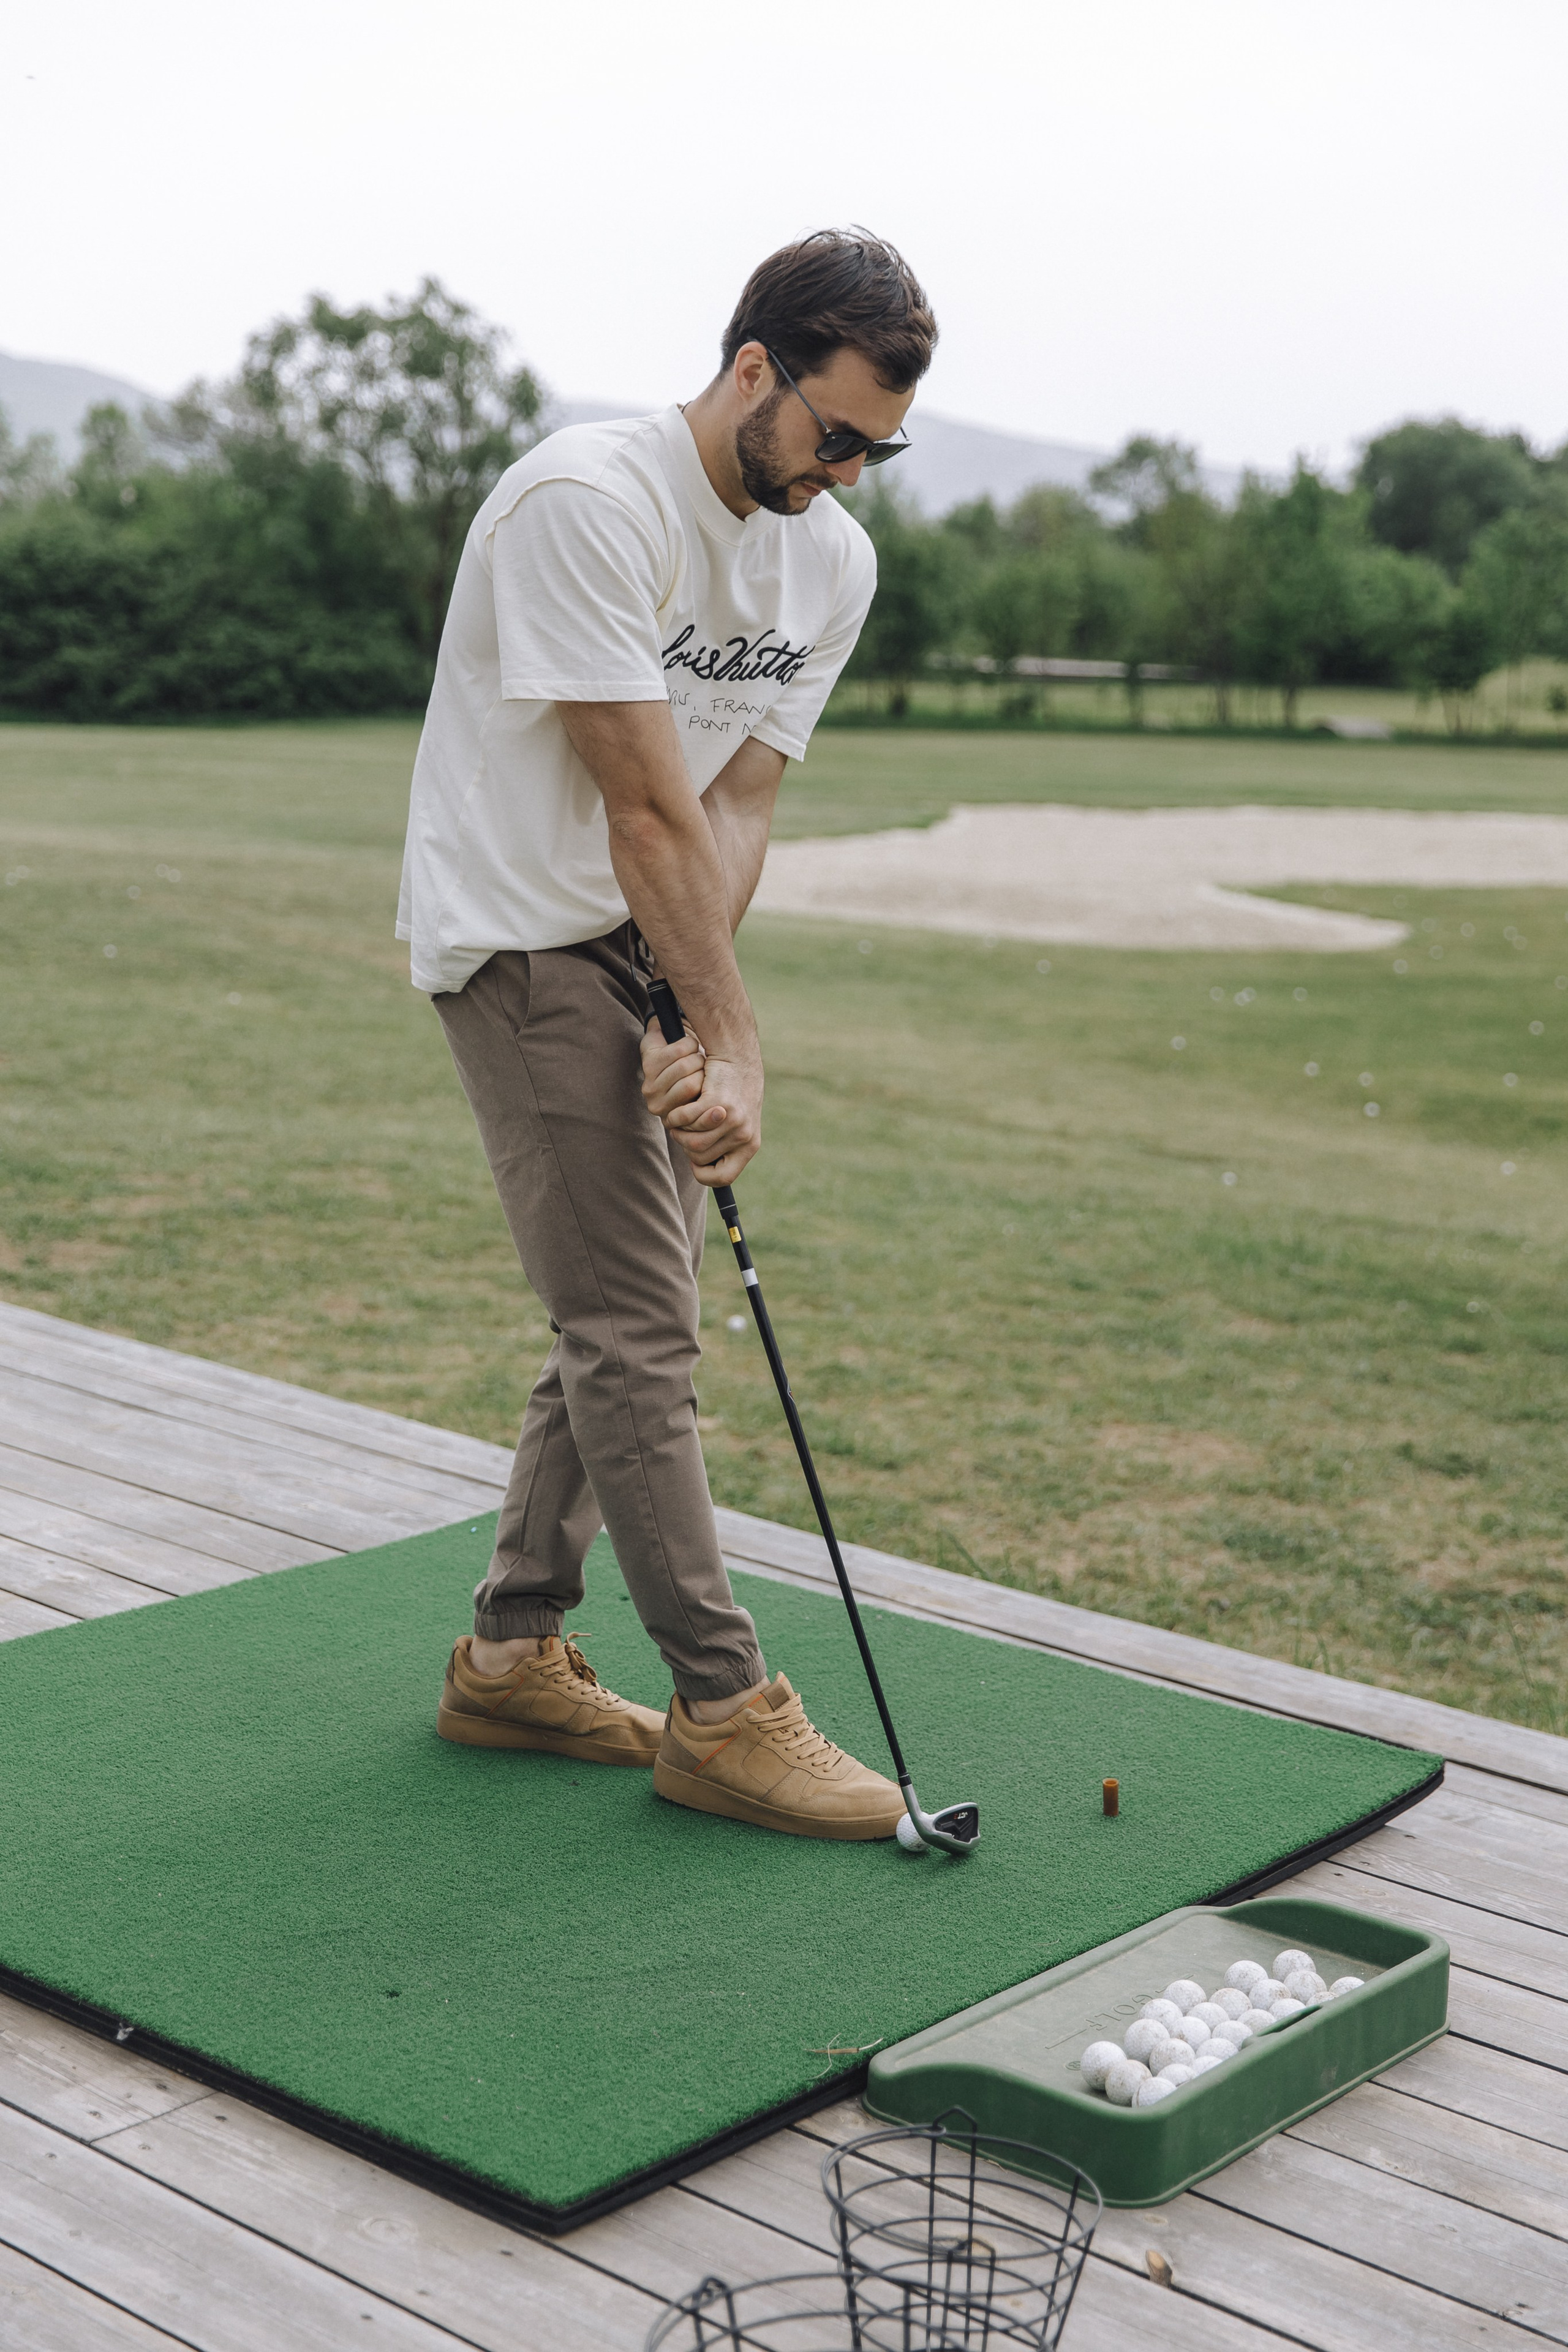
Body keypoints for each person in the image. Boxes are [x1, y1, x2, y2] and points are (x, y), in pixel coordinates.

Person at [398, 230, 937, 1839]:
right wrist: (729, 1035)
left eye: (880, 451)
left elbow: (735, 803)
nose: (848, 474)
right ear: (752, 367)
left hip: (635, 935)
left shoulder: (829, 558)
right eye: (832, 434)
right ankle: (722, 1711)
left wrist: (690, 1006)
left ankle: (509, 1656)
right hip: (517, 930)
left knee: (629, 1299)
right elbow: (641, 797)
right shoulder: (592, 502)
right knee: (641, 1323)